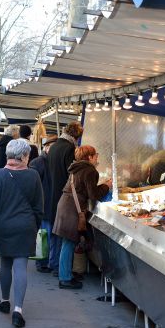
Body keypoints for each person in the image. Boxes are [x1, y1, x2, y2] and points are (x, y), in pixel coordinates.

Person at [0, 139, 43, 328]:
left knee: (5, 264)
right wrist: (35, 227)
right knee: (21, 266)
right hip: (25, 226)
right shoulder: (33, 176)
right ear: (23, 156)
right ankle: (18, 310)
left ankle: (5, 301)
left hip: (2, 227)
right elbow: (39, 207)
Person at [53, 145, 110, 289]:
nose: (97, 157)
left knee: (67, 242)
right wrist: (107, 186)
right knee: (69, 242)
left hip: (66, 204)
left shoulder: (76, 167)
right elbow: (93, 194)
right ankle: (65, 278)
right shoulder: (90, 170)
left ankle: (65, 274)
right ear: (89, 157)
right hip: (72, 208)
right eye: (95, 155)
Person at [46, 121, 84, 277]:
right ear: (76, 135)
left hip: (53, 190)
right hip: (64, 193)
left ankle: (53, 263)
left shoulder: (55, 146)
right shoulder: (69, 148)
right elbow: (71, 173)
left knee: (56, 231)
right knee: (64, 235)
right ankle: (60, 269)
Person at [29, 135, 58, 273]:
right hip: (43, 204)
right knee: (43, 234)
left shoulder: (51, 161)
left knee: (48, 234)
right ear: (46, 148)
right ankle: (41, 263)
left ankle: (48, 262)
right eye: (52, 147)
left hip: (50, 203)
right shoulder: (38, 162)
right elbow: (32, 185)